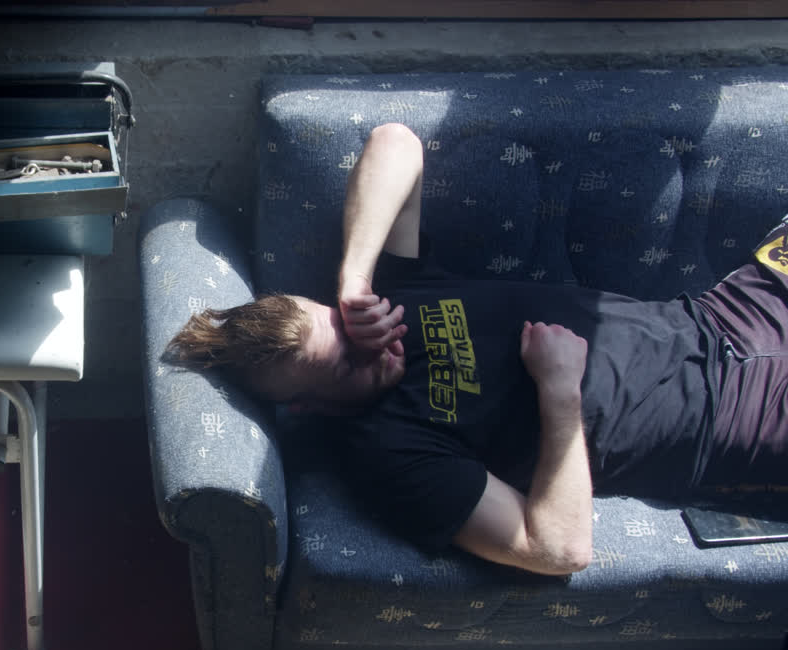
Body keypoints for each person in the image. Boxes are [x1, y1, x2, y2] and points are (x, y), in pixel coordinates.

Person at [167, 122, 788, 576]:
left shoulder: (385, 299)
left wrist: (355, 281)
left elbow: (395, 142)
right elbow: (558, 550)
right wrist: (559, 396)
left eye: (344, 326)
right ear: (309, 408)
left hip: (727, 310)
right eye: (349, 362)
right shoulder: (393, 456)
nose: (373, 344)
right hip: (729, 417)